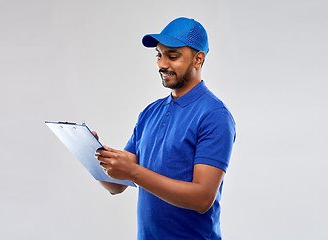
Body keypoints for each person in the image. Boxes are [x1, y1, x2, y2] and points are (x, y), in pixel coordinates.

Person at [94, 17, 236, 240]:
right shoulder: (150, 113)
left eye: (173, 56)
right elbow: (116, 185)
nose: (162, 64)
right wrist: (95, 157)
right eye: (159, 55)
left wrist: (133, 172)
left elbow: (202, 198)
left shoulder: (214, 115)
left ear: (198, 59)